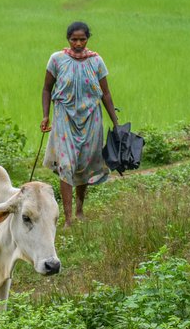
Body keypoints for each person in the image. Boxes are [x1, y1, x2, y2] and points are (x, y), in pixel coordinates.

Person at [41, 21, 119, 227]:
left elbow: (106, 93)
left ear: (88, 39)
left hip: (91, 118)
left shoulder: (96, 61)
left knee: (84, 164)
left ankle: (80, 210)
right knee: (66, 165)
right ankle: (67, 219)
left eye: (82, 39)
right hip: (64, 116)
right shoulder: (56, 60)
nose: (78, 43)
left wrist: (115, 120)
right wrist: (45, 115)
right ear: (68, 39)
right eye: (74, 39)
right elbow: (47, 89)